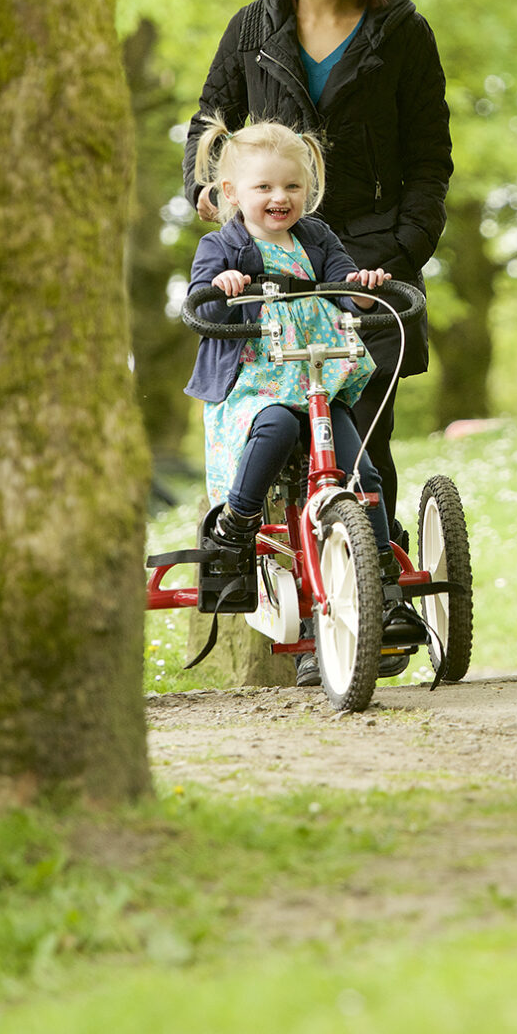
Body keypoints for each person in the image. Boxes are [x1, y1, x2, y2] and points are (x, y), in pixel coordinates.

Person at [184, 0, 452, 550]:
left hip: (368, 265)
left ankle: (377, 591)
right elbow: (208, 122)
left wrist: (403, 249)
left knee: (360, 437)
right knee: (280, 445)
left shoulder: (402, 34)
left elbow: (429, 159)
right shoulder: (252, 29)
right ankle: (303, 623)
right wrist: (210, 194)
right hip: (272, 271)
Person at [184, 117, 417, 684]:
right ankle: (236, 524)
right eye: (264, 188)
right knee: (277, 430)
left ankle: (380, 579)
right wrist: (223, 290)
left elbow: (345, 288)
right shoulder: (225, 244)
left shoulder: (316, 239)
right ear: (232, 195)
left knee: (362, 473)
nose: (279, 198)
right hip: (258, 385)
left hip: (319, 379)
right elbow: (199, 305)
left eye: (291, 186)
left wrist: (363, 288)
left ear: (307, 189)